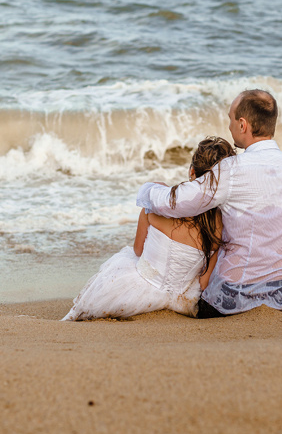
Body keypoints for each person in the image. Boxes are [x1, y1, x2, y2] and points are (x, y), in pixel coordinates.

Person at [137, 89, 282, 318]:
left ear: (243, 125)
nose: (229, 125)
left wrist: (149, 190)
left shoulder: (232, 169)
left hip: (229, 302)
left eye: (230, 119)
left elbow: (178, 203)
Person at [62, 137, 236, 321]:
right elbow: (203, 282)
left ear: (191, 171)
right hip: (183, 300)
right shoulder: (220, 223)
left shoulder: (157, 204)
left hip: (138, 291)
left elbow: (138, 250)